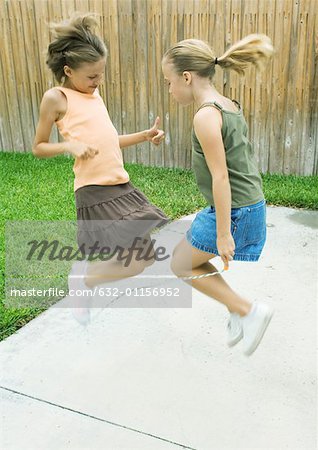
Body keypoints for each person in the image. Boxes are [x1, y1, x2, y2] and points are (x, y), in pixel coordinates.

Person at [33, 13, 168, 324]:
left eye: (101, 75)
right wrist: (68, 146)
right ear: (68, 70)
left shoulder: (95, 96)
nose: (98, 82)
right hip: (95, 191)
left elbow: (109, 141)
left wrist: (144, 136)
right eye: (92, 77)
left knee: (141, 261)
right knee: (134, 260)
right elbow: (38, 147)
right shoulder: (56, 98)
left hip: (120, 186)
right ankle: (82, 282)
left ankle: (85, 281)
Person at [162, 34, 275, 356]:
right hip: (246, 205)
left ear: (186, 77)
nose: (170, 90)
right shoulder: (227, 105)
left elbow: (221, 175)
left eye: (169, 82)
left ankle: (247, 310)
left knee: (182, 265)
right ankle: (238, 310)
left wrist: (224, 232)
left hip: (236, 211)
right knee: (187, 262)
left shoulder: (205, 115)